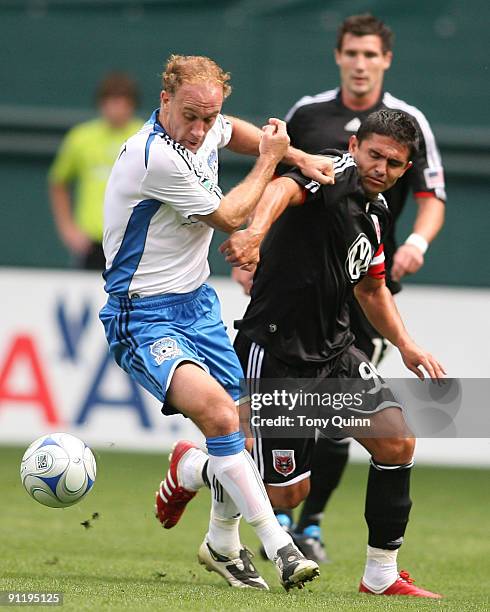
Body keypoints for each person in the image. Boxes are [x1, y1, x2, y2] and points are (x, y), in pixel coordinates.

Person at [99, 54, 336, 592]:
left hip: (197, 305)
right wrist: (274, 162)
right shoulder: (153, 156)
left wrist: (294, 153)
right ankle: (282, 548)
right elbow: (230, 216)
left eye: (209, 116)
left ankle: (220, 540)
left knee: (240, 430)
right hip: (142, 313)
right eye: (190, 116)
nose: (201, 129)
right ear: (164, 101)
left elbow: (236, 134)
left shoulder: (205, 127)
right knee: (222, 417)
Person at [231, 13, 446, 563]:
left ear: (406, 169)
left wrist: (408, 345)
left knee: (397, 441)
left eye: (393, 164)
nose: (380, 168)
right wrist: (253, 235)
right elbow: (282, 184)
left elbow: (373, 289)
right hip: (279, 345)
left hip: (335, 350)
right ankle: (193, 466)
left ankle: (381, 573)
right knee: (285, 491)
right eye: (373, 155)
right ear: (355, 144)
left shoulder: (375, 211)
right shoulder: (331, 172)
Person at [49, 72, 142, 269]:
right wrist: (68, 229)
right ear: (102, 104)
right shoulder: (81, 137)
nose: (116, 108)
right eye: (111, 101)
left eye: (122, 102)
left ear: (131, 105)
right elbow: (58, 181)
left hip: (133, 240)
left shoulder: (144, 137)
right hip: (91, 242)